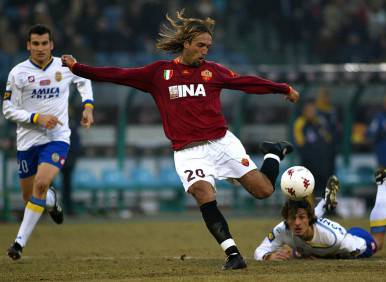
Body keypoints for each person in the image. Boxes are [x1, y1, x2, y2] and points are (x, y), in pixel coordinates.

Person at [61, 10, 299, 270]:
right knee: (203, 194)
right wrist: (77, 67)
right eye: (200, 46)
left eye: (208, 46)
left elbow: (247, 83)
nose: (205, 51)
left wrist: (282, 88)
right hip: (188, 152)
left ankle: (273, 153)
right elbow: (117, 74)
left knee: (264, 191)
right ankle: (233, 255)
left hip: (222, 143)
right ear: (186, 43)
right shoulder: (158, 73)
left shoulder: (214, 72)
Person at [4, 24, 94, 260]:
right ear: (28, 45)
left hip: (57, 138)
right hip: (27, 141)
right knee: (31, 196)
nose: (40, 48)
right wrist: (36, 118)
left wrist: (88, 107)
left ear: (51, 45)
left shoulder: (65, 65)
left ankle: (18, 244)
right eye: (36, 43)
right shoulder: (18, 73)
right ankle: (53, 201)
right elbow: (7, 110)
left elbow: (84, 79)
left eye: (45, 43)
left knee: (40, 185)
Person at [254, 165, 386, 260]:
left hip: (352, 240)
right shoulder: (283, 229)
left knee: (378, 244)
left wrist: (301, 255)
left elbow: (335, 253)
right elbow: (259, 251)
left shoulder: (333, 238)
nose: (297, 223)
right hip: (317, 229)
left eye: (301, 217)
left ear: (309, 218)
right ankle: (325, 202)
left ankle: (382, 183)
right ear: (287, 219)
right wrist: (269, 256)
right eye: (293, 218)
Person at [293, 100, 333, 197]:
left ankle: (324, 208)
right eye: (310, 110)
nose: (312, 112)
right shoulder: (300, 124)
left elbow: (328, 139)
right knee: (308, 187)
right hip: (308, 162)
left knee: (324, 186)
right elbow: (300, 143)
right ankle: (309, 208)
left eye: (313, 110)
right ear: (304, 111)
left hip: (323, 161)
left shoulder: (319, 122)